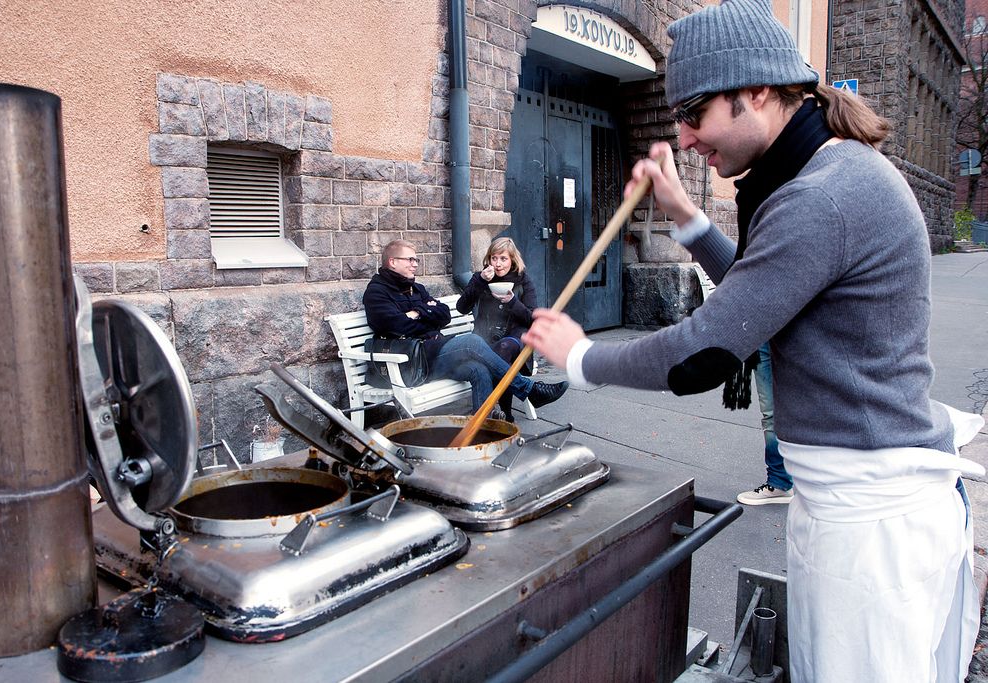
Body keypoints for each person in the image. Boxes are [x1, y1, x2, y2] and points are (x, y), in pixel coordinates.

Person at [521, 0, 985, 680]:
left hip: (873, 527)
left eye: (695, 113)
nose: (684, 137)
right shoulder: (826, 177)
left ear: (757, 92)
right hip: (857, 503)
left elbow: (708, 348)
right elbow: (763, 287)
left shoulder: (821, 194)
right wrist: (684, 217)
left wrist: (581, 356)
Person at [363, 239, 568, 418]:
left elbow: (444, 314)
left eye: (415, 260)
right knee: (472, 342)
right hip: (410, 363)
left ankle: (484, 425)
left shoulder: (416, 288)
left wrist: (417, 313)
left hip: (432, 355)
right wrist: (425, 312)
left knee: (478, 370)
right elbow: (395, 325)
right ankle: (529, 389)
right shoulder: (377, 292)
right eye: (410, 260)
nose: (415, 264)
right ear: (393, 262)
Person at [456, 237, 537, 422]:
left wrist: (513, 302)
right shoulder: (481, 278)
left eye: (503, 259)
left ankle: (500, 412)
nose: (498, 264)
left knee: (505, 347)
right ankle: (500, 414)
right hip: (485, 338)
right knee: (498, 353)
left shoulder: (523, 281)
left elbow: (532, 319)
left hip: (516, 339)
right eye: (494, 258)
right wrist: (480, 282)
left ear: (513, 260)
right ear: (489, 259)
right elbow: (461, 307)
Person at [735, 342, 795, 505]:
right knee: (771, 413)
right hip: (765, 338)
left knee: (806, 408)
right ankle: (779, 483)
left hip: (797, 335)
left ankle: (818, 483)